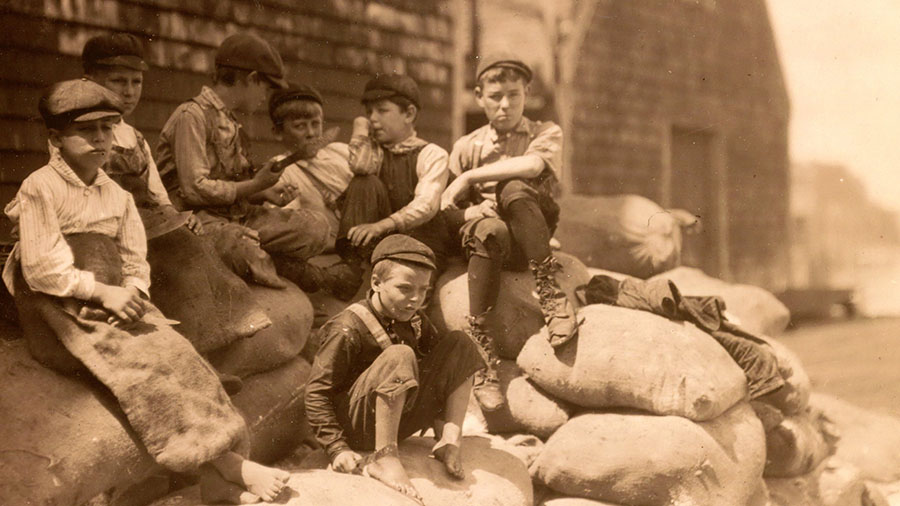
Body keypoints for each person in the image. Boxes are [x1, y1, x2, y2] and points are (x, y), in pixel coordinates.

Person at [2, 79, 289, 504]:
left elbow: (135, 257)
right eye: (86, 131)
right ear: (56, 139)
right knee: (142, 366)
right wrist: (103, 294)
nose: (100, 139)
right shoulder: (40, 187)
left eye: (107, 129)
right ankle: (227, 463)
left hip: (112, 292)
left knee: (176, 350)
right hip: (59, 306)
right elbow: (43, 268)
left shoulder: (116, 194)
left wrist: (133, 290)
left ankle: (216, 472)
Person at [440, 53, 580, 412]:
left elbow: (533, 165)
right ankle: (481, 350)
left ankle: (550, 293)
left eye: (514, 95)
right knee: (487, 227)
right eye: (495, 96)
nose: (505, 105)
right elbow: (446, 206)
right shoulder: (467, 146)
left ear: (526, 94)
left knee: (513, 185)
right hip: (492, 243)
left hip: (531, 230)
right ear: (479, 97)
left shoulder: (544, 132)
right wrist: (470, 209)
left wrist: (471, 177)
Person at [305, 234, 485, 503]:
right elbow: (317, 393)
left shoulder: (414, 320)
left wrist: (442, 420)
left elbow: (442, 368)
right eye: (405, 288)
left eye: (423, 290)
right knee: (401, 354)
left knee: (461, 344)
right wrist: (336, 448)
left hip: (399, 416)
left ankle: (449, 440)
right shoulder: (348, 327)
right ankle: (385, 457)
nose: (415, 299)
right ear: (376, 283)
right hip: (359, 427)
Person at [156, 32, 330, 290]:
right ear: (251, 79)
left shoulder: (231, 121)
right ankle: (278, 264)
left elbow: (236, 185)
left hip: (236, 217)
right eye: (267, 88)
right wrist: (255, 185)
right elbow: (194, 189)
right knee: (239, 247)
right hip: (196, 220)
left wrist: (264, 193)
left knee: (316, 227)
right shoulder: (191, 116)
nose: (266, 97)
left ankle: (262, 258)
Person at [332, 74, 452, 298]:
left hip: (421, 244)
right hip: (383, 244)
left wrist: (381, 226)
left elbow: (426, 205)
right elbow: (360, 166)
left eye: (382, 110)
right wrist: (360, 130)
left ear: (409, 114)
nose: (372, 119)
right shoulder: (375, 154)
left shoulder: (431, 154)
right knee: (364, 181)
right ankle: (351, 266)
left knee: (411, 293)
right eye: (369, 112)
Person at [77, 32, 201, 237]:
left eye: (136, 82)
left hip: (141, 227)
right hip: (97, 227)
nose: (129, 91)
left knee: (189, 237)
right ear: (89, 81)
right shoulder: (74, 132)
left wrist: (179, 218)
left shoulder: (136, 139)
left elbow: (160, 199)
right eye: (118, 81)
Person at [264, 83, 360, 299]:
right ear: (278, 132)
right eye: (300, 126)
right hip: (327, 257)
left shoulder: (341, 152)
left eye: (316, 124)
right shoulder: (280, 170)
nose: (311, 133)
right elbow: (291, 229)